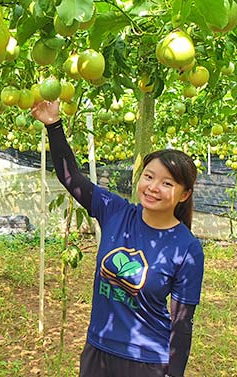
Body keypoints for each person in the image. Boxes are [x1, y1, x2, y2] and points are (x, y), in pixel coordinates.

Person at [31, 100, 204, 377]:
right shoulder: (115, 211)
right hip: (98, 348)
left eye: (167, 183)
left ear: (184, 194)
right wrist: (53, 125)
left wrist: (175, 373)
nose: (153, 187)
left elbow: (182, 321)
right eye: (149, 176)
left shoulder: (187, 248)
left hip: (146, 360)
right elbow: (71, 178)